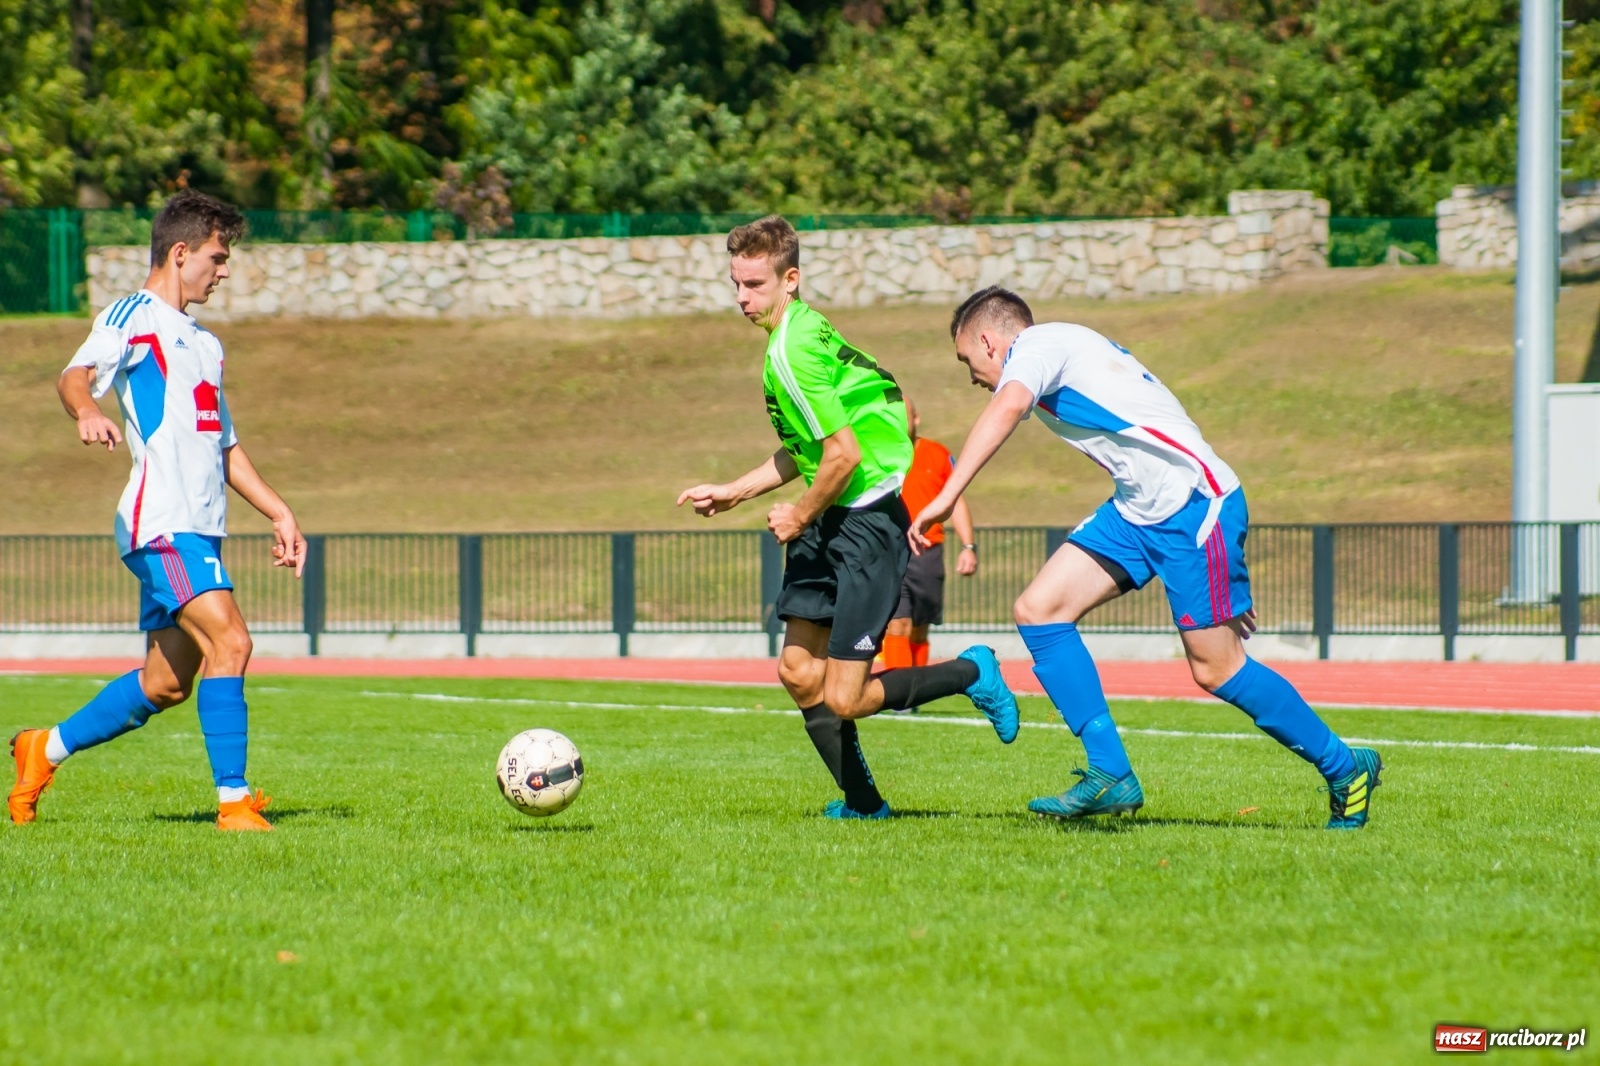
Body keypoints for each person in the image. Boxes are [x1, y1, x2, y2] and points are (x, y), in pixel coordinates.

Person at [910, 286, 1382, 829]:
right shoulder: (1054, 353)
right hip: (1139, 510)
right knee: (1038, 609)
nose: (972, 377)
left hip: (1193, 505)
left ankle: (1345, 768)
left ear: (990, 342)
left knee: (1216, 668)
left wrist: (946, 497)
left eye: (967, 361)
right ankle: (1110, 772)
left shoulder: (1037, 346)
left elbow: (1008, 405)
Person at [677, 216, 1018, 820]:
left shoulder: (792, 352)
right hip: (829, 511)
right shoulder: (800, 334)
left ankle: (972, 671)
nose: (740, 299)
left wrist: (799, 516)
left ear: (791, 279)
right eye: (735, 283)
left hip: (862, 523)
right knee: (798, 671)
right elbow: (810, 447)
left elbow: (843, 456)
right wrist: (737, 490)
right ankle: (863, 804)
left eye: (753, 285)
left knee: (847, 694)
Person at [9, 190, 307, 832]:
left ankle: (43, 748)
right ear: (180, 252)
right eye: (217, 257)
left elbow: (223, 442)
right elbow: (76, 372)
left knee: (167, 683)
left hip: (199, 528)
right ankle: (234, 803)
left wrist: (279, 513)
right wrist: (88, 409)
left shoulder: (206, 344)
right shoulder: (133, 315)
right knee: (233, 641)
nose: (224, 271)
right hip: (160, 524)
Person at [879, 396, 979, 712]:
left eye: (904, 415)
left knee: (919, 628)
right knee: (898, 624)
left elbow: (957, 501)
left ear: (916, 417)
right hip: (890, 551)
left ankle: (916, 694)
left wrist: (968, 546)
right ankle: (900, 699)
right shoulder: (879, 453)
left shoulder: (937, 455)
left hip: (928, 552)